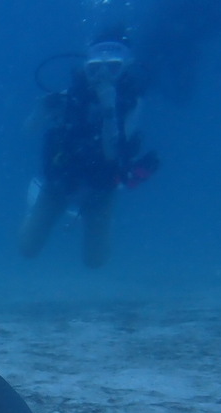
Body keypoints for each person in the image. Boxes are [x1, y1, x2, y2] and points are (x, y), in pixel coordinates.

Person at [19, 31, 159, 268]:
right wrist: (39, 111)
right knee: (27, 249)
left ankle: (86, 217)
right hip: (60, 183)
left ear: (125, 67)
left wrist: (109, 109)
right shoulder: (69, 98)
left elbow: (111, 154)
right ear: (86, 68)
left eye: (113, 67)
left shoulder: (131, 104)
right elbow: (28, 129)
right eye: (95, 68)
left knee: (96, 261)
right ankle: (35, 203)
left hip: (101, 188)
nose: (102, 75)